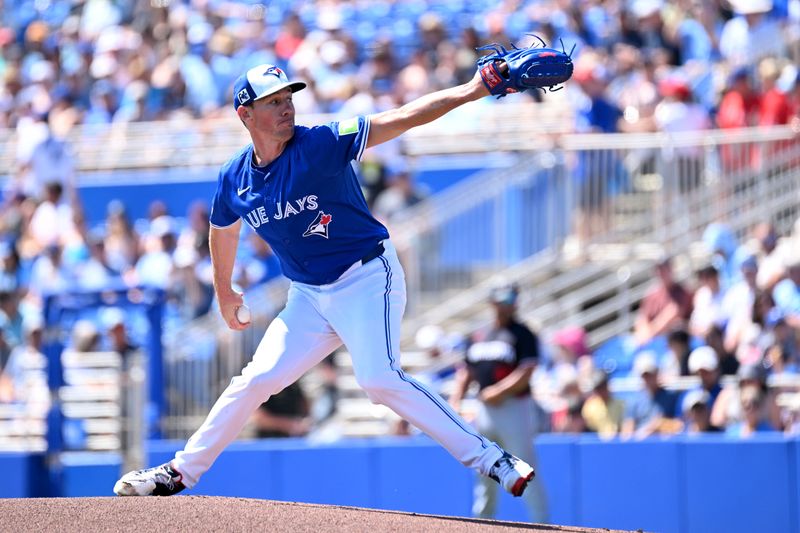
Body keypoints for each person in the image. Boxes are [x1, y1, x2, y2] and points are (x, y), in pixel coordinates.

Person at [115, 64, 536, 498]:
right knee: (254, 380)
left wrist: (470, 90)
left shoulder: (320, 142)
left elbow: (404, 117)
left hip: (367, 277)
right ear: (246, 115)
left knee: (378, 378)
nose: (287, 107)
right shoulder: (235, 176)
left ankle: (492, 459)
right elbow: (222, 229)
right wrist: (223, 290)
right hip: (309, 297)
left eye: (288, 98)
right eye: (273, 101)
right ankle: (181, 473)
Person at [449, 284, 549, 523]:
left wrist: (498, 390)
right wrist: (456, 399)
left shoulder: (523, 333)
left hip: (514, 407)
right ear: (493, 302)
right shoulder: (480, 335)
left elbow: (527, 370)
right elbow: (467, 371)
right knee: (484, 468)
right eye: (502, 299)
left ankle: (542, 524)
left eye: (511, 299)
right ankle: (482, 523)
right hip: (485, 410)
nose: (507, 304)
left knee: (525, 467)